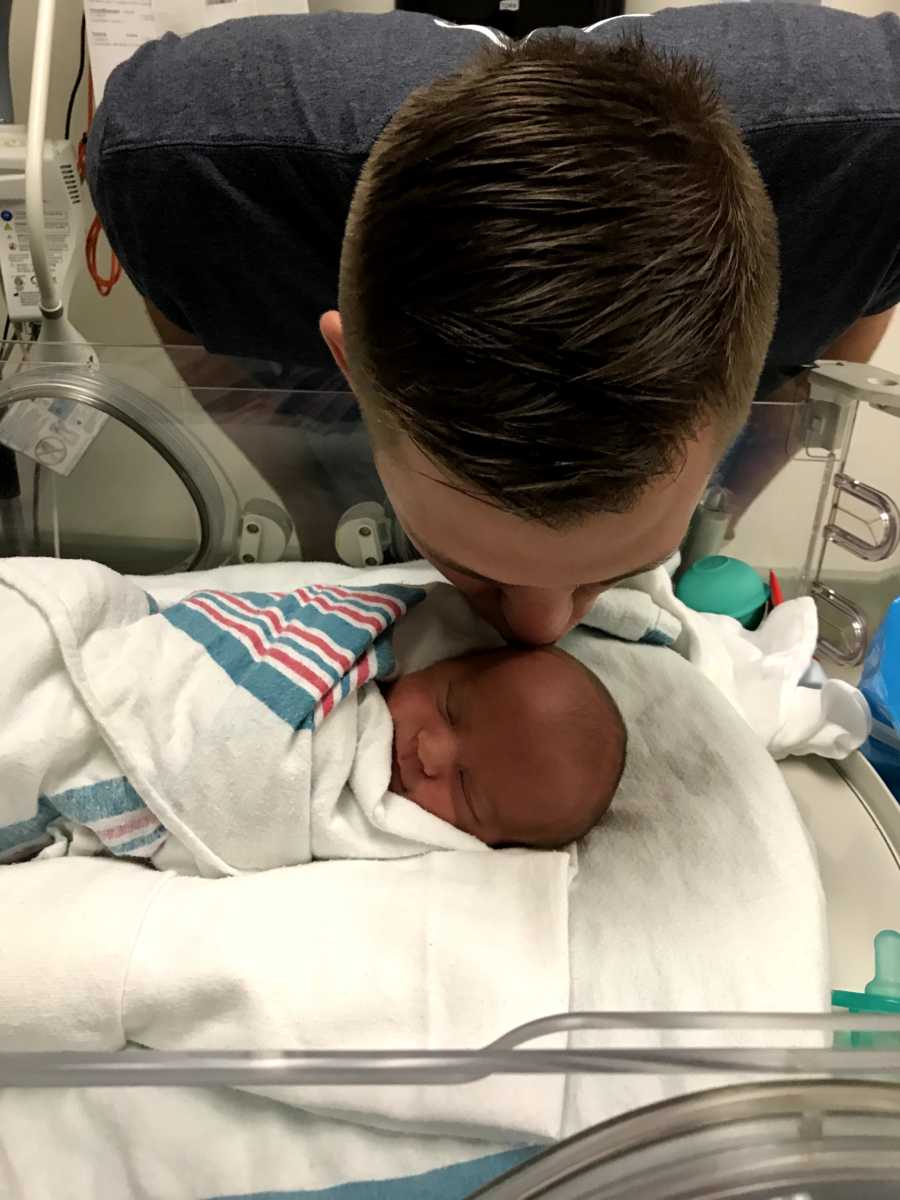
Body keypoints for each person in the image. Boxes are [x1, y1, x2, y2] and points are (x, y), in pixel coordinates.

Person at [86, 5, 900, 646]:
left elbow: (861, 297)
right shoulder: (182, 172)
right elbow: (189, 316)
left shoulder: (871, 170)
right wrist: (305, 505)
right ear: (343, 361)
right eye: (470, 569)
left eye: (610, 574)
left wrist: (717, 507)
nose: (539, 634)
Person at [0, 561, 625, 871]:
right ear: (448, 662)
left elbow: (246, 795)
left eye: (465, 789)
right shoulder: (350, 652)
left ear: (486, 842)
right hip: (106, 653)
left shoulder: (375, 832)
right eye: (451, 708)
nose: (431, 753)